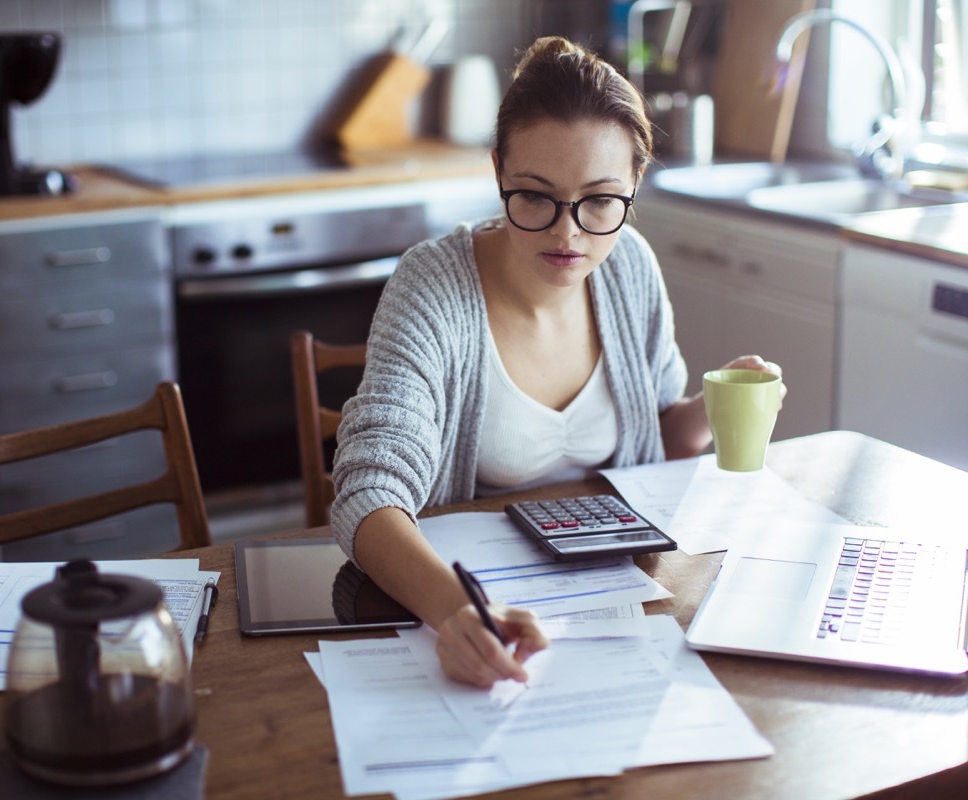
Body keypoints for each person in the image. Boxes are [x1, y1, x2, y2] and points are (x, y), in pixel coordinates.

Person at [330, 36, 783, 688]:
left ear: (634, 182)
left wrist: (715, 409)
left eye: (600, 200)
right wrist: (460, 611)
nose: (567, 234)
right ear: (498, 172)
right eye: (536, 197)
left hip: (618, 605)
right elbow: (368, 497)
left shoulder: (629, 266)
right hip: (475, 604)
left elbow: (654, 435)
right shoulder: (433, 285)